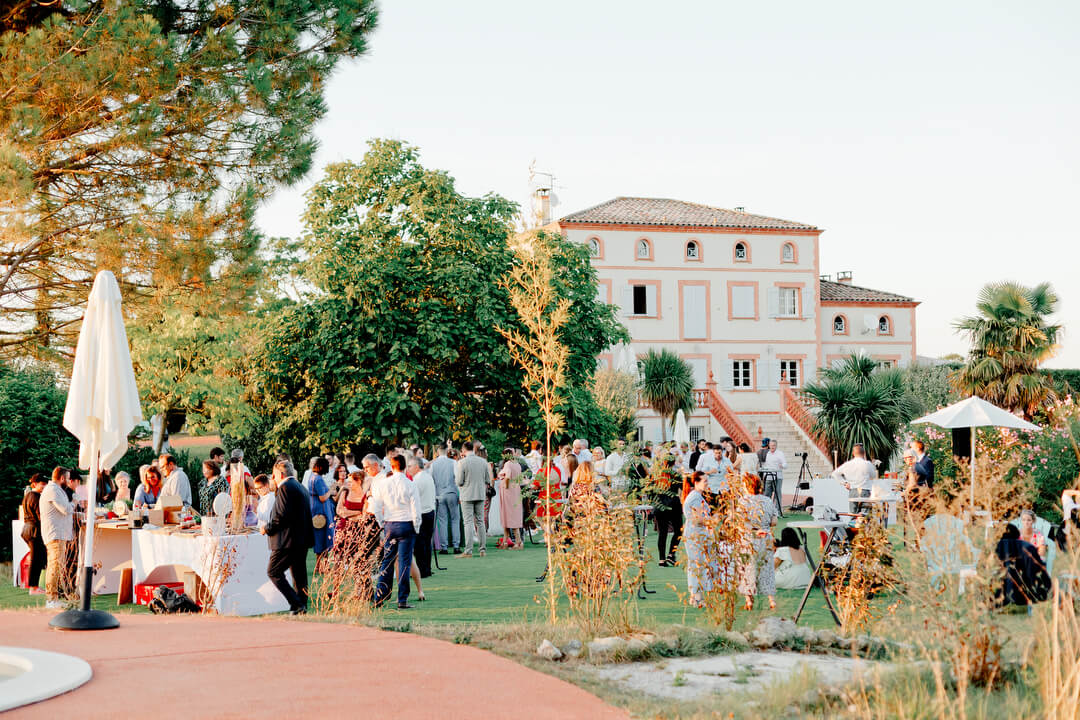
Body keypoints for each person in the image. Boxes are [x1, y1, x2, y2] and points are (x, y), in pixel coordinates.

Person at [369, 455, 422, 609]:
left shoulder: (383, 484)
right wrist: (416, 526)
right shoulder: (410, 484)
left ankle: (379, 597)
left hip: (390, 524)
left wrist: (381, 523)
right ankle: (402, 599)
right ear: (405, 467)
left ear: (391, 467)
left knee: (387, 561)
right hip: (406, 523)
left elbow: (377, 506)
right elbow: (416, 509)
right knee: (404, 562)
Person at [262, 460, 314, 614]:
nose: (272, 478)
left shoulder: (285, 488)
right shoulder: (300, 487)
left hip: (287, 540)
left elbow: (280, 517)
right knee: (299, 575)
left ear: (281, 474)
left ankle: (297, 603)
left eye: (274, 474)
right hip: (301, 539)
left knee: (274, 572)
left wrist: (266, 528)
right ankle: (302, 607)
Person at [739, 473, 778, 611]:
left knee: (747, 568)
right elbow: (774, 521)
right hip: (765, 537)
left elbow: (740, 522)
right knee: (767, 569)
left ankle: (749, 600)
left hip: (749, 538)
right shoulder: (767, 500)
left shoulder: (743, 502)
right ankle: (772, 600)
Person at [41, 467, 74, 609]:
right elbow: (65, 509)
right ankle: (51, 599)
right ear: (61, 478)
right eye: (67, 478)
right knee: (54, 565)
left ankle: (53, 597)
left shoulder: (55, 490)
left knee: (56, 564)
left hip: (58, 533)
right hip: (55, 534)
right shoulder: (53, 490)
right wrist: (75, 503)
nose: (69, 481)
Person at [456, 441, 492, 558]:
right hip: (480, 494)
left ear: (464, 450)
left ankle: (468, 550)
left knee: (468, 522)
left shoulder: (462, 463)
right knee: (480, 521)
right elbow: (488, 480)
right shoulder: (483, 462)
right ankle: (482, 549)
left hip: (467, 495)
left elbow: (459, 481)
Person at [682, 471, 713, 607]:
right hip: (695, 535)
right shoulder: (695, 497)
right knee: (696, 565)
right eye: (704, 481)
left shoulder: (697, 496)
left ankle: (696, 596)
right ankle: (696, 597)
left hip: (698, 534)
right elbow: (699, 519)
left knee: (698, 564)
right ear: (696, 482)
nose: (707, 483)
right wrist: (713, 520)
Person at [647, 453, 683, 567]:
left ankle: (662, 559)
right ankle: (671, 554)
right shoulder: (676, 475)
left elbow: (649, 492)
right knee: (678, 531)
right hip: (673, 505)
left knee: (662, 533)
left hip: (659, 505)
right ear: (673, 463)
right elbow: (682, 489)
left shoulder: (655, 475)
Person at [406, 459, 437, 576]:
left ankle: (422, 570)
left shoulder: (417, 481)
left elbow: (413, 499)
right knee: (426, 542)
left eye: (410, 466)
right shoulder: (428, 477)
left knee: (420, 543)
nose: (408, 469)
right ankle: (426, 568)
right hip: (430, 511)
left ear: (416, 467)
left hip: (422, 513)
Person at [428, 446, 461, 554]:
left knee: (442, 520)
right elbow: (458, 478)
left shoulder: (433, 464)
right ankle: (456, 545)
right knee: (455, 519)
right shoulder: (453, 463)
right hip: (452, 492)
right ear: (447, 451)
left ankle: (444, 547)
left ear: (437, 452)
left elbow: (431, 479)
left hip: (439, 494)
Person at [303, 456, 335, 564]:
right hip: (322, 511)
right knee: (324, 536)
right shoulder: (318, 479)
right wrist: (330, 490)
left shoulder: (311, 476)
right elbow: (322, 497)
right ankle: (323, 564)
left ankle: (319, 564)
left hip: (314, 509)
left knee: (318, 537)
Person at [21, 474, 48, 595]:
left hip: (28, 529)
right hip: (34, 531)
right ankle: (33, 587)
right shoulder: (36, 496)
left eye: (45, 484)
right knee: (36, 559)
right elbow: (41, 516)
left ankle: (35, 586)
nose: (44, 486)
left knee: (38, 558)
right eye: (42, 484)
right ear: (34, 484)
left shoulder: (28, 495)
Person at [498, 455, 525, 549]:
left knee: (509, 514)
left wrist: (506, 485)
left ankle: (518, 542)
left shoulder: (508, 464)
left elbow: (508, 476)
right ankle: (505, 541)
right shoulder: (517, 464)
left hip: (508, 491)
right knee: (511, 514)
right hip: (516, 489)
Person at [762, 439, 787, 507]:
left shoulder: (780, 453)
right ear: (769, 446)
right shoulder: (767, 453)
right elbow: (765, 465)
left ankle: (777, 512)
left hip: (777, 477)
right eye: (771, 445)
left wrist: (782, 465)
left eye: (774, 445)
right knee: (767, 494)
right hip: (768, 477)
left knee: (777, 495)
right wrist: (764, 476)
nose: (772, 447)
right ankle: (767, 510)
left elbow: (785, 464)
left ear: (776, 446)